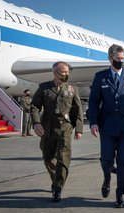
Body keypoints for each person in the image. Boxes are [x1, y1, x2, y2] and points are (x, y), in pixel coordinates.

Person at [88, 44, 124, 208]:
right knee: (106, 159)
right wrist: (93, 122)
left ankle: (120, 194)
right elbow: (93, 102)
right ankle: (107, 177)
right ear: (110, 58)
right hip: (107, 125)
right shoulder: (101, 77)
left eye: (122, 59)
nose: (120, 61)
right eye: (118, 59)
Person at [30, 61, 83, 202]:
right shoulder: (44, 88)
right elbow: (34, 106)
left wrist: (79, 129)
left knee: (63, 160)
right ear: (55, 73)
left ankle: (58, 188)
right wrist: (36, 123)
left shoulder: (72, 88)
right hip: (47, 129)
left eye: (67, 72)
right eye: (64, 72)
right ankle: (56, 180)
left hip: (65, 129)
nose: (67, 74)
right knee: (48, 158)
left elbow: (78, 110)